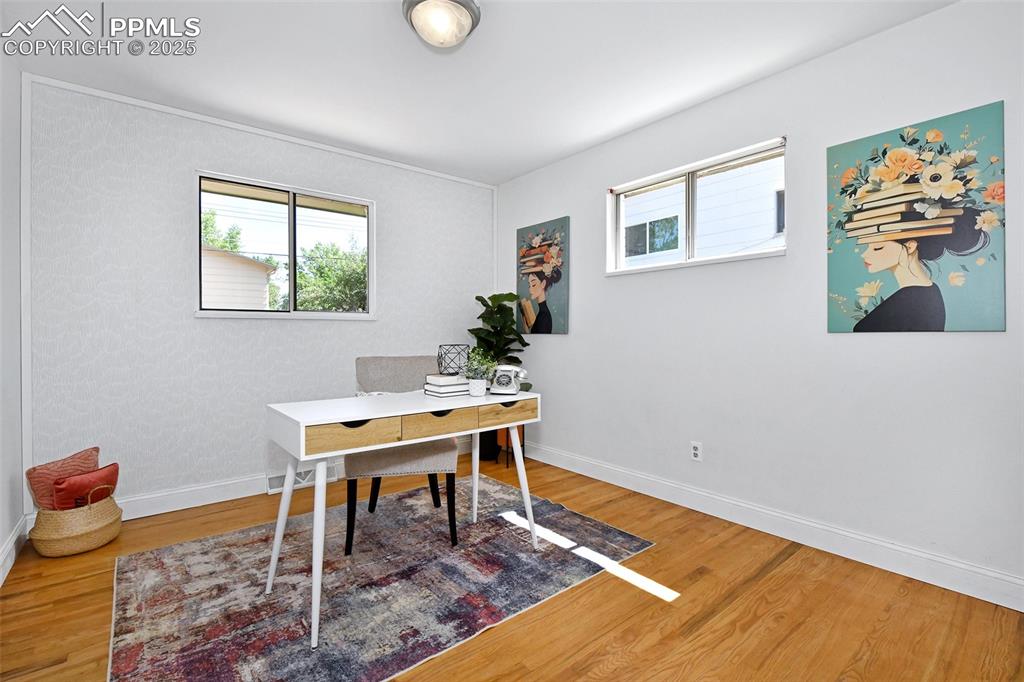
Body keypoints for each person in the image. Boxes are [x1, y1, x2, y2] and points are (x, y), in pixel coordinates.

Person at [854, 212, 988, 332]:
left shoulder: (911, 299)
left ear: (910, 246)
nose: (864, 254)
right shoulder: (930, 290)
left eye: (877, 248)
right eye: (867, 246)